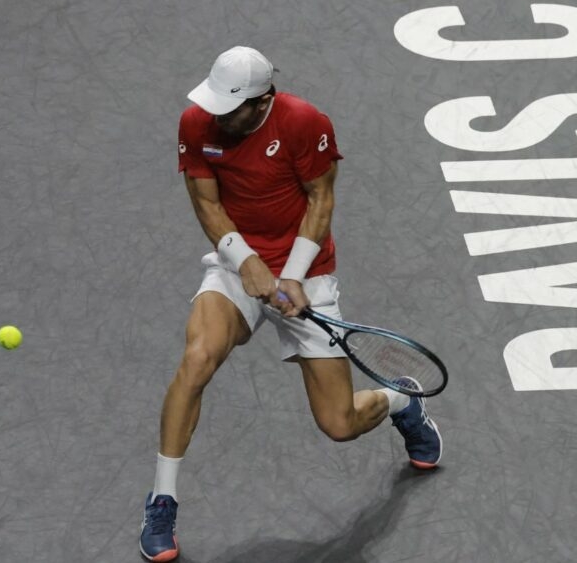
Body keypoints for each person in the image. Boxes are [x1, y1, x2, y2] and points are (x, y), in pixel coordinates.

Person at [138, 46, 442, 562]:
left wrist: (293, 277)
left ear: (262, 102)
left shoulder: (304, 123)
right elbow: (207, 204)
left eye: (229, 109)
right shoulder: (197, 122)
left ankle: (400, 400)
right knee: (196, 360)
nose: (215, 117)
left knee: (340, 424)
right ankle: (162, 499)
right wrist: (247, 263)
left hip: (308, 272)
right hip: (238, 264)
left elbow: (321, 200)